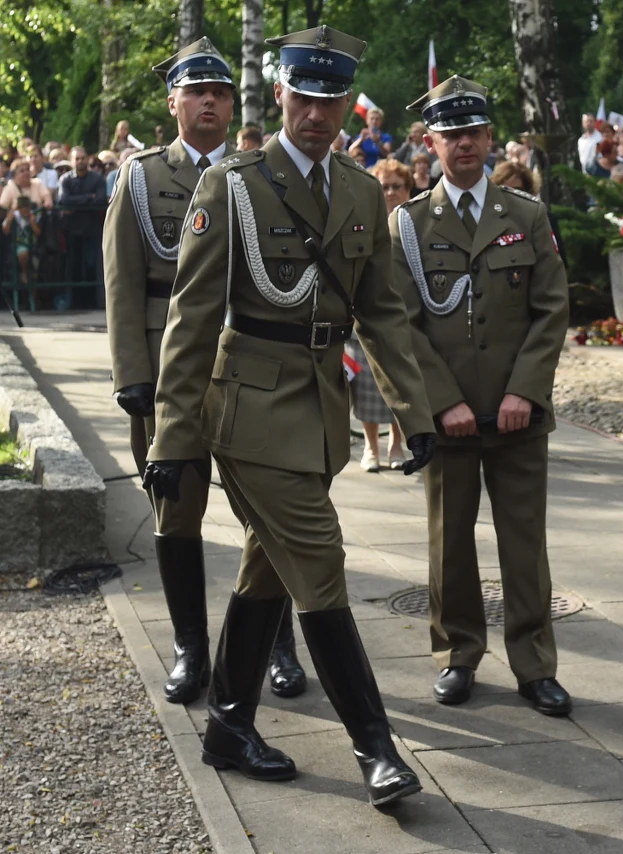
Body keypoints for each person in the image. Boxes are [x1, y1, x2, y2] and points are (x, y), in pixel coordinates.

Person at [143, 25, 438, 808]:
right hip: (246, 407)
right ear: (279, 95)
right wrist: (172, 437)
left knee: (267, 565)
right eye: (302, 97)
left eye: (330, 101)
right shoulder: (233, 186)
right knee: (318, 558)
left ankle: (229, 725)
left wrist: (415, 413)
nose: (315, 114)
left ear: (347, 104)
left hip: (319, 410)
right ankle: (377, 749)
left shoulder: (361, 191)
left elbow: (383, 313)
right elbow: (190, 321)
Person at [103, 38, 308, 706]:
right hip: (169, 373)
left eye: (220, 93)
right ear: (174, 104)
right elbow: (121, 284)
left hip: (248, 365)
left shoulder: (261, 175)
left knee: (268, 511)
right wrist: (132, 375)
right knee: (177, 510)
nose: (210, 103)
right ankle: (190, 648)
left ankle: (277, 644)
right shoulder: (141, 179)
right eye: (196, 92)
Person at [392, 74, 572, 717]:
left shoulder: (526, 215)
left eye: (473, 131)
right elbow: (401, 323)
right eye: (451, 134)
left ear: (490, 138)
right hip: (451, 420)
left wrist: (526, 390)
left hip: (517, 415)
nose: (463, 143)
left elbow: (551, 310)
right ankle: (458, 653)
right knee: (450, 542)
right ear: (430, 143)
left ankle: (534, 664)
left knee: (524, 544)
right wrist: (442, 402)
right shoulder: (410, 224)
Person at [347, 157, 413, 472]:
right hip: (364, 315)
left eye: (396, 186)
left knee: (401, 384)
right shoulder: (361, 218)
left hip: (405, 316)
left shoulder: (415, 223)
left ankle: (396, 444)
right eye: (384, 187)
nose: (390, 193)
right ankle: (371, 447)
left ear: (408, 189)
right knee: (366, 387)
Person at [56, 146, 107, 289]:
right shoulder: (65, 179)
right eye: (77, 158)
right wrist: (89, 197)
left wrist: (75, 204)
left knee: (92, 265)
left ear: (87, 159)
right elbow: (63, 200)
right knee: (74, 266)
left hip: (92, 229)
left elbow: (100, 200)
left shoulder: (97, 178)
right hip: (71, 230)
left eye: (83, 158)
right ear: (72, 161)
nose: (80, 161)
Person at [2, 159, 41, 305]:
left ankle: (33, 297)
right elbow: (5, 230)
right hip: (16, 245)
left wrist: (32, 220)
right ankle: (24, 275)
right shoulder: (14, 211)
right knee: (23, 253)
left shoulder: (32, 215)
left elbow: (38, 232)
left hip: (34, 246)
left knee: (35, 269)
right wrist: (10, 217)